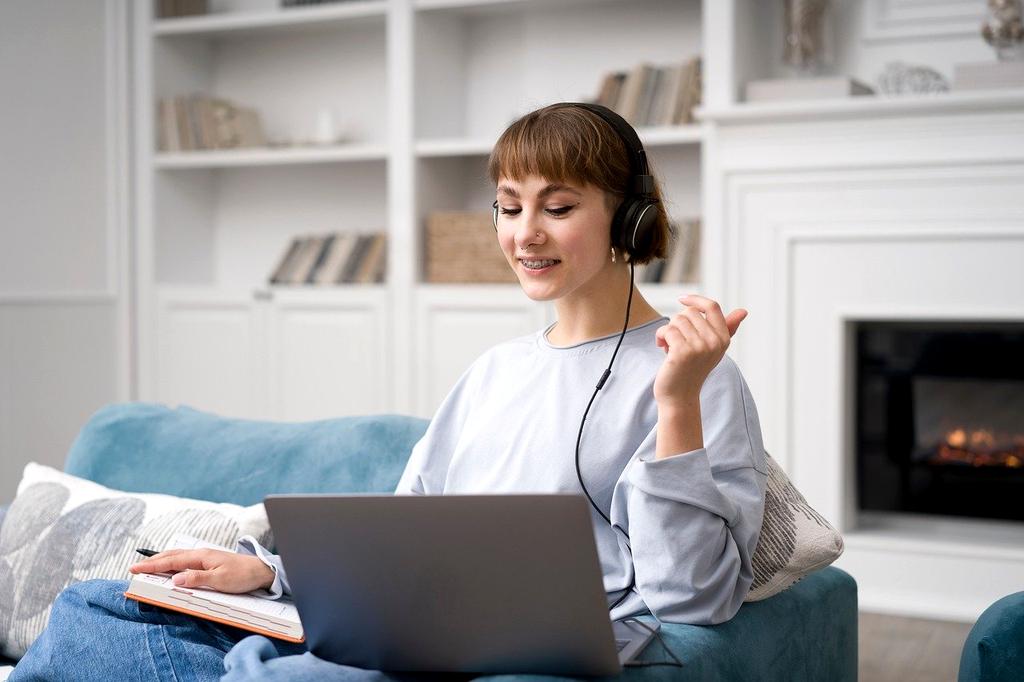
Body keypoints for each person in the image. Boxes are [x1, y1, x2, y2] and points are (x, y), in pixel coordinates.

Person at [10, 102, 767, 681]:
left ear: (628, 221)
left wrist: (677, 405)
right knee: (94, 609)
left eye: (558, 207)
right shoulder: (496, 371)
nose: (525, 234)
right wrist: (272, 575)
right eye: (509, 207)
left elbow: (693, 600)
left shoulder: (695, 379)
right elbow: (403, 537)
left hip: (497, 643)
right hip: (408, 620)